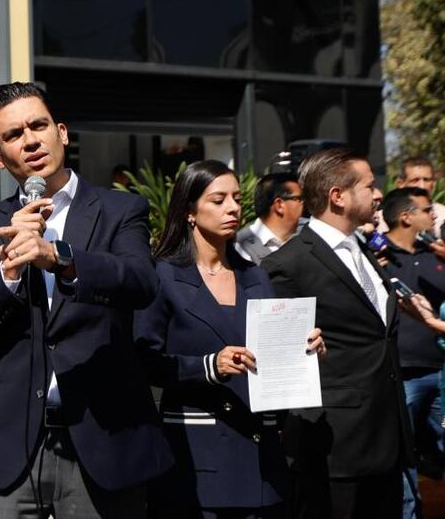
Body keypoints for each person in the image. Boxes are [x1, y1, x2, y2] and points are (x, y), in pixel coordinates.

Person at [0, 82, 172, 518]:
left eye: (38, 125)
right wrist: (7, 273)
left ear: (61, 133)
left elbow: (141, 282)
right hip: (9, 446)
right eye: (13, 135)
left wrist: (60, 258)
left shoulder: (119, 210)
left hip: (104, 436)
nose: (30, 140)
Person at [135, 161, 324, 518]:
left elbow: (270, 355)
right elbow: (144, 360)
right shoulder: (163, 276)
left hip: (262, 460)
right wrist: (210, 366)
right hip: (197, 461)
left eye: (236, 198)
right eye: (218, 200)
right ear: (189, 211)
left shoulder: (255, 276)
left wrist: (305, 348)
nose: (233, 208)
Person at [261, 147, 414, 519]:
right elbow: (276, 360)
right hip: (334, 449)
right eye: (370, 186)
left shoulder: (363, 251)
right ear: (338, 196)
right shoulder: (288, 264)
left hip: (387, 440)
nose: (379, 195)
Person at [382, 187, 445, 517]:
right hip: (402, 375)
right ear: (405, 216)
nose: (433, 216)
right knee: (404, 457)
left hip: (442, 372)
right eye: (426, 210)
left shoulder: (437, 252)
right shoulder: (376, 259)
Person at [235, 172, 303, 264]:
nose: (303, 204)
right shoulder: (242, 246)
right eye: (298, 199)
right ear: (279, 205)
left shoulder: (305, 235)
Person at [380, 157, 445, 241]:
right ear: (400, 184)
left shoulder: (443, 215)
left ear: (434, 183)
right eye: (415, 180)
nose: (422, 186)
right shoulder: (384, 219)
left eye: (426, 180)